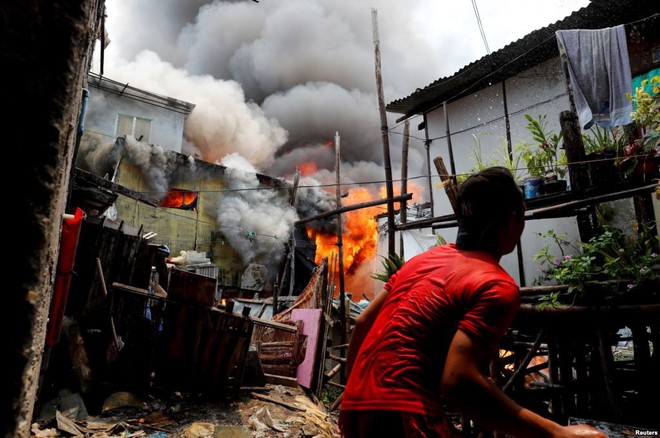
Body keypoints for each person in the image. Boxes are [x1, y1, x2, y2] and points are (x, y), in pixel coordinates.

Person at [338, 167, 606, 438]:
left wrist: (357, 393)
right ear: (514, 220)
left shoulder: (422, 261)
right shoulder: (496, 284)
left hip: (355, 406)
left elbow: (362, 322)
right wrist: (556, 432)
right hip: (406, 413)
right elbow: (458, 380)